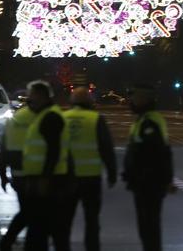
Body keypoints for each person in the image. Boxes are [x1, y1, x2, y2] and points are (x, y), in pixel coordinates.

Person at [62, 88, 117, 251]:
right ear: (89, 102)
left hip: (66, 177)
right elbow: (106, 148)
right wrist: (112, 173)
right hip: (90, 178)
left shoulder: (63, 118)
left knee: (65, 220)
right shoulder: (96, 119)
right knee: (92, 221)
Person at [21, 80, 72, 251]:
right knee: (43, 230)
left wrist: (44, 178)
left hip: (50, 183)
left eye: (31, 96)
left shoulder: (50, 117)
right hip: (44, 181)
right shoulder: (45, 116)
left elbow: (53, 150)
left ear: (41, 96)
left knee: (44, 229)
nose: (29, 101)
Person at [123, 84, 174, 251]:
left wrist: (164, 179)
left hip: (148, 183)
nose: (131, 101)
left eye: (134, 97)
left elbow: (157, 154)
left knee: (149, 227)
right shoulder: (145, 120)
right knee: (147, 227)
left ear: (145, 99)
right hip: (145, 182)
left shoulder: (149, 122)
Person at [0, 99, 38, 251]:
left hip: (18, 175)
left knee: (28, 211)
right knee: (32, 213)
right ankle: (11, 242)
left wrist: (2, 174)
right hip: (37, 175)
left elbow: (4, 149)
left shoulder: (15, 120)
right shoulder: (43, 118)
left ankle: (10, 242)